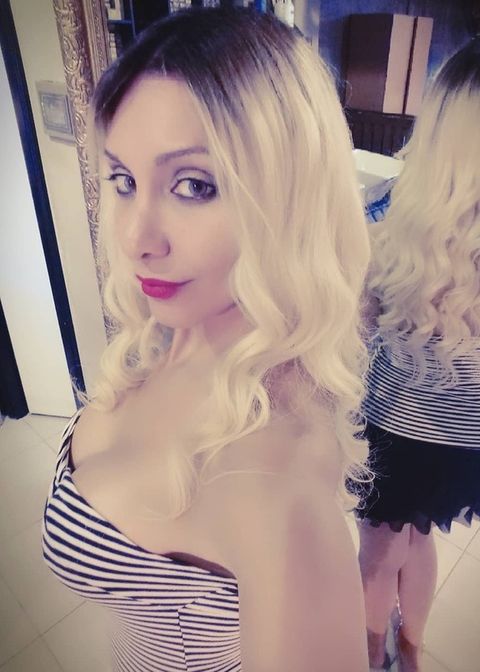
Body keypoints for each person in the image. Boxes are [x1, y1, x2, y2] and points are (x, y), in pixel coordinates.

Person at [42, 7, 372, 671]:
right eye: (124, 180)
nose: (136, 238)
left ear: (289, 198)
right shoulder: (174, 336)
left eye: (193, 185)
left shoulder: (268, 477)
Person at [356, 39, 480, 672]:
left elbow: (356, 328)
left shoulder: (385, 211)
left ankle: (370, 657)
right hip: (466, 439)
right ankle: (409, 654)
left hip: (394, 427)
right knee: (420, 535)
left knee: (379, 550)